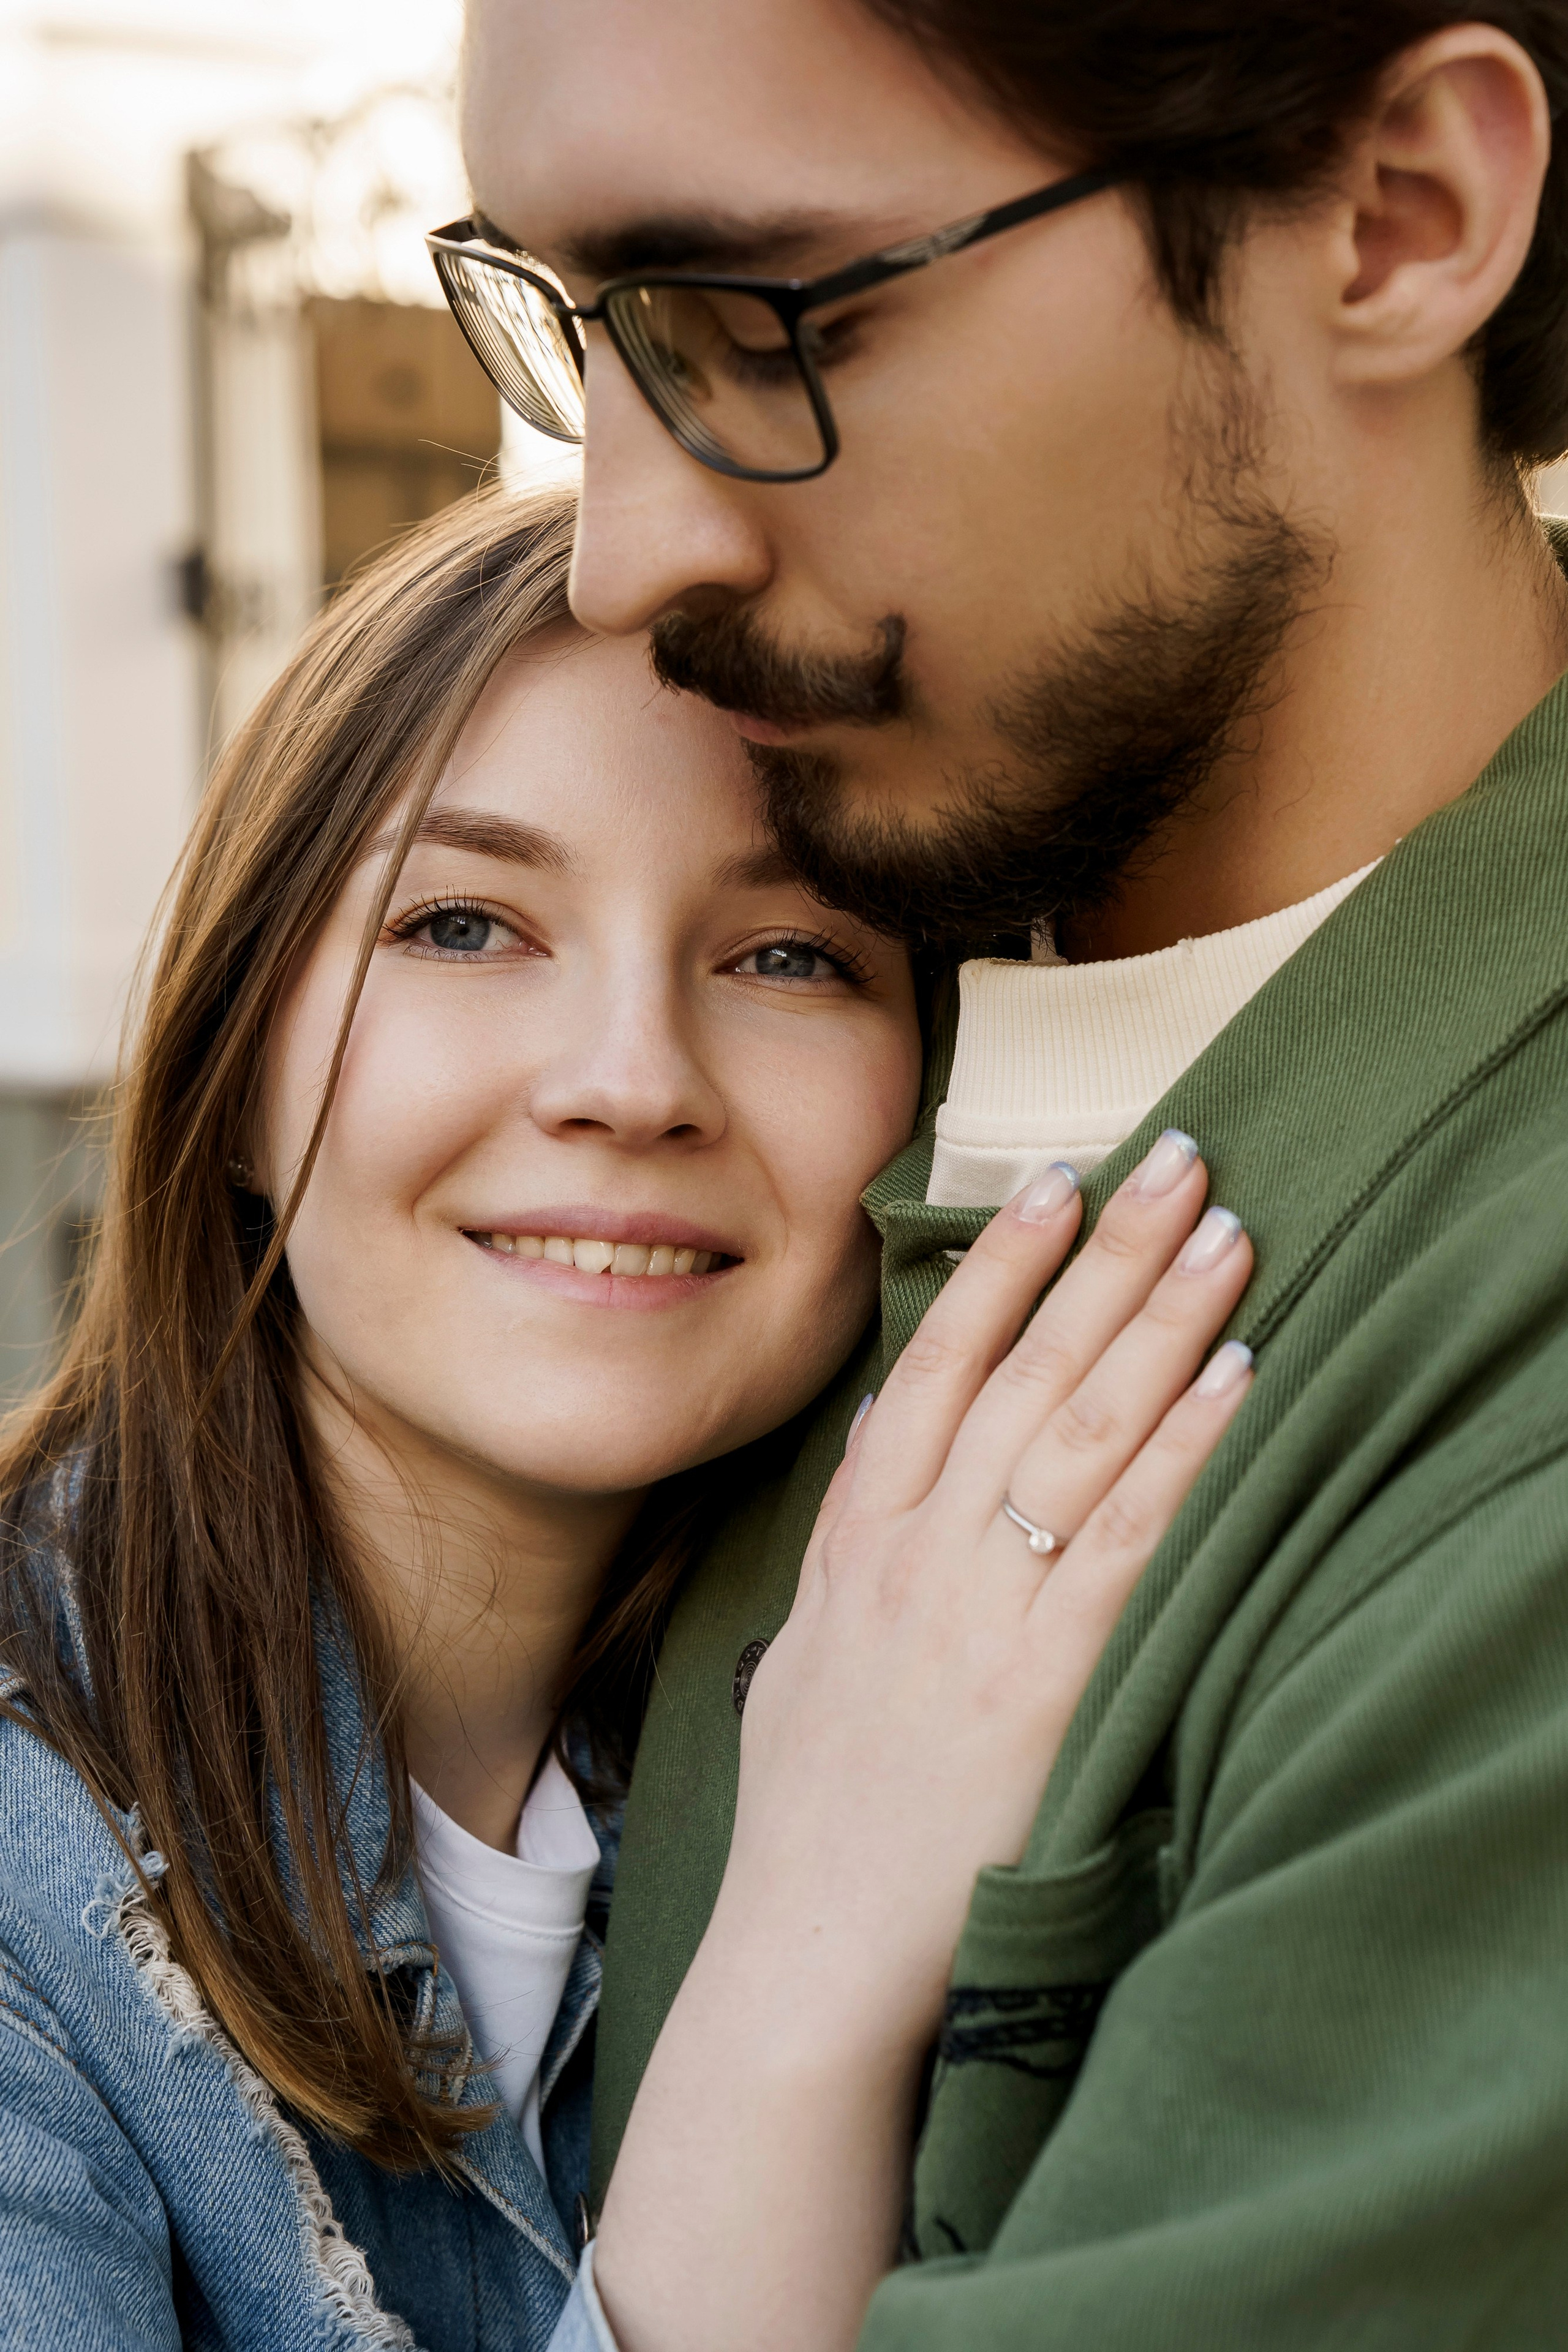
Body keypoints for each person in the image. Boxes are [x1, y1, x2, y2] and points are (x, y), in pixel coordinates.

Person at [446, 1, 1568, 2343]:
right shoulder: (721, 1104)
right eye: (576, 326)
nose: (618, 555)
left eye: (758, 321)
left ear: (1401, 217)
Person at [0, 479, 1252, 2349]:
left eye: (787, 958)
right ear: (240, 1055)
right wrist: (800, 1994)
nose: (632, 1079)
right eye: (467, 925)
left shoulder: (931, 1679)